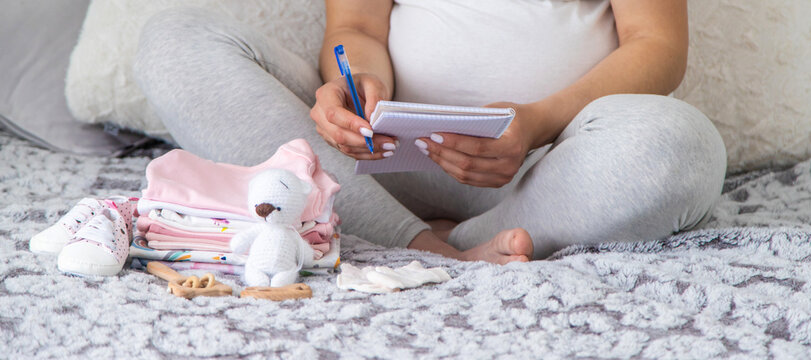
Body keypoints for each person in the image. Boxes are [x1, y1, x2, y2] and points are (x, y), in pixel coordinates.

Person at [133, 0, 727, 264]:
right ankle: (426, 246)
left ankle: (469, 235)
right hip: (374, 164)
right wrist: (356, 81)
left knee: (682, 146)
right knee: (178, 38)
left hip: (548, 167)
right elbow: (355, 24)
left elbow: (660, 47)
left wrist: (538, 119)